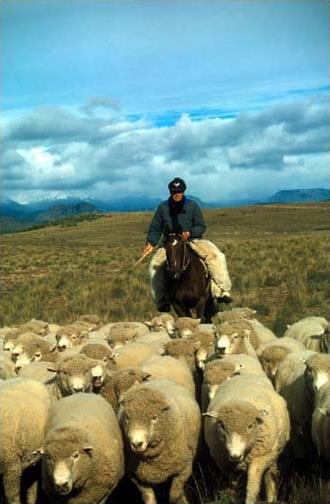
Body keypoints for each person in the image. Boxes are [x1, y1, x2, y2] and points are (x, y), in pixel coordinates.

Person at [143, 177, 232, 313]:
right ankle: (162, 301)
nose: (177, 194)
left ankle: (221, 291)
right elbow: (156, 228)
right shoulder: (163, 208)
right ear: (170, 192)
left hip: (192, 239)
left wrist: (190, 232)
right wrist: (151, 242)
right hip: (170, 242)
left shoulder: (192, 206)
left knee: (216, 256)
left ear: (184, 191)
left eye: (180, 191)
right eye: (174, 192)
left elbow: (201, 225)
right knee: (153, 267)